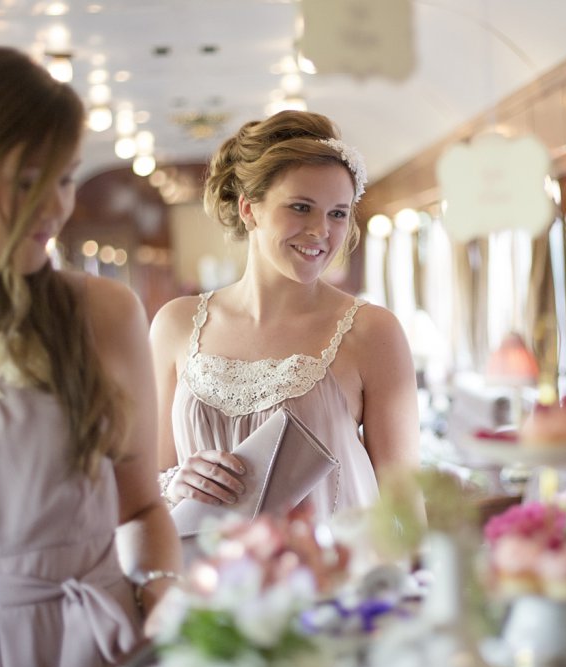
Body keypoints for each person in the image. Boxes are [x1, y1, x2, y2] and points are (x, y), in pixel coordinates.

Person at [0, 47, 182, 667]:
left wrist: (160, 592)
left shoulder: (103, 313)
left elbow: (142, 509)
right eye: (27, 181)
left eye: (67, 177)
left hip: (87, 652)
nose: (55, 206)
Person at [151, 110, 420, 527]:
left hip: (339, 583)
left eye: (337, 213)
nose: (320, 232)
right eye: (300, 207)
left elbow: (404, 504)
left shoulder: (373, 332)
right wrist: (174, 484)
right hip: (212, 581)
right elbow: (145, 483)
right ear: (248, 209)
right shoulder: (175, 325)